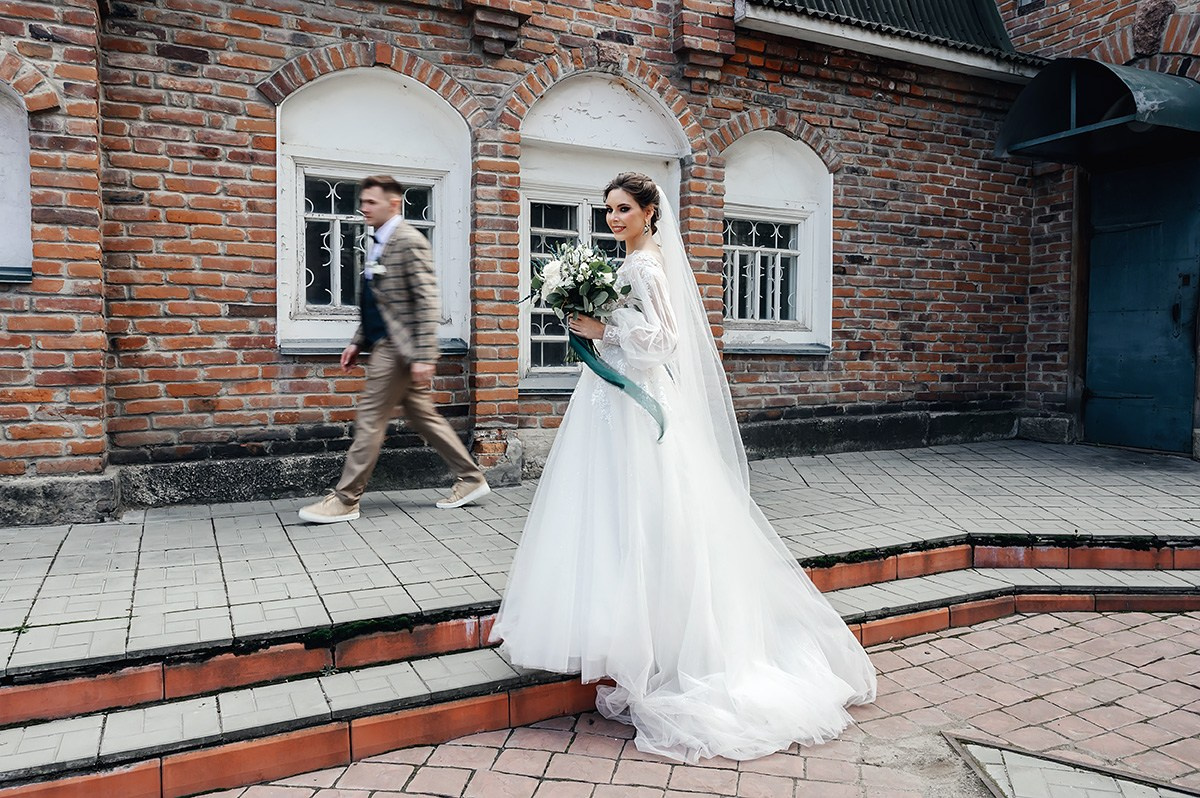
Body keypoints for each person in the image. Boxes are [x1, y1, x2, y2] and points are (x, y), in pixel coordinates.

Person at [489, 172, 876, 763]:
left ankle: (651, 641)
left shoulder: (647, 265)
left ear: (650, 212)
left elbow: (665, 340)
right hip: (608, 401)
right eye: (609, 209)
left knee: (642, 511)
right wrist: (593, 327)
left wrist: (603, 328)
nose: (613, 218)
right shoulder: (630, 262)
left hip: (635, 403)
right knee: (608, 509)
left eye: (624, 208)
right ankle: (617, 636)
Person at [299, 175, 490, 523]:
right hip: (385, 343)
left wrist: (424, 356)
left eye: (371, 202)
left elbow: (426, 302)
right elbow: (378, 301)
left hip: (398, 348)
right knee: (423, 416)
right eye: (363, 201)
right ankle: (471, 478)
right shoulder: (378, 241)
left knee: (371, 418)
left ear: (393, 203)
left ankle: (345, 500)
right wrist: (357, 341)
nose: (364, 208)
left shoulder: (408, 241)